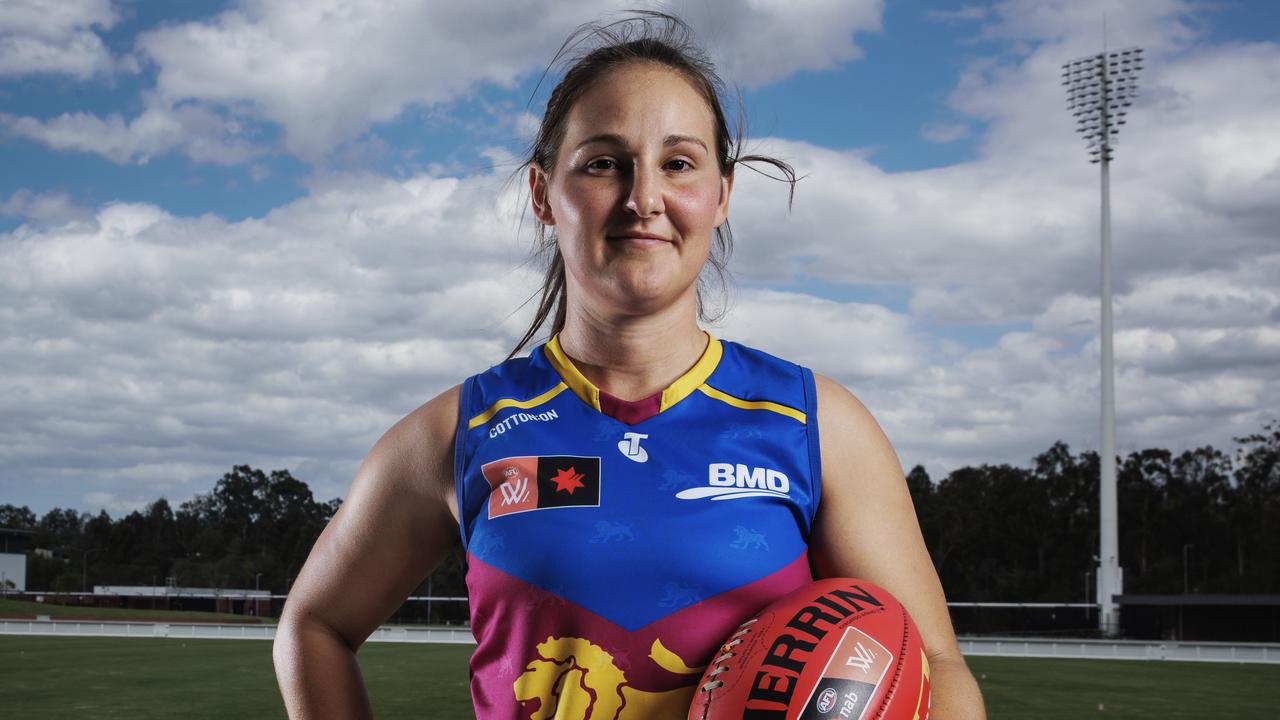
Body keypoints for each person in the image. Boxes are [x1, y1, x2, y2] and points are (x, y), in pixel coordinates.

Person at [274, 12, 985, 720]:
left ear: (722, 194)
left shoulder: (815, 425)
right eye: (604, 163)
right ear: (542, 194)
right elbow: (314, 626)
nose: (644, 198)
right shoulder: (457, 435)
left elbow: (937, 668)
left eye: (678, 163)